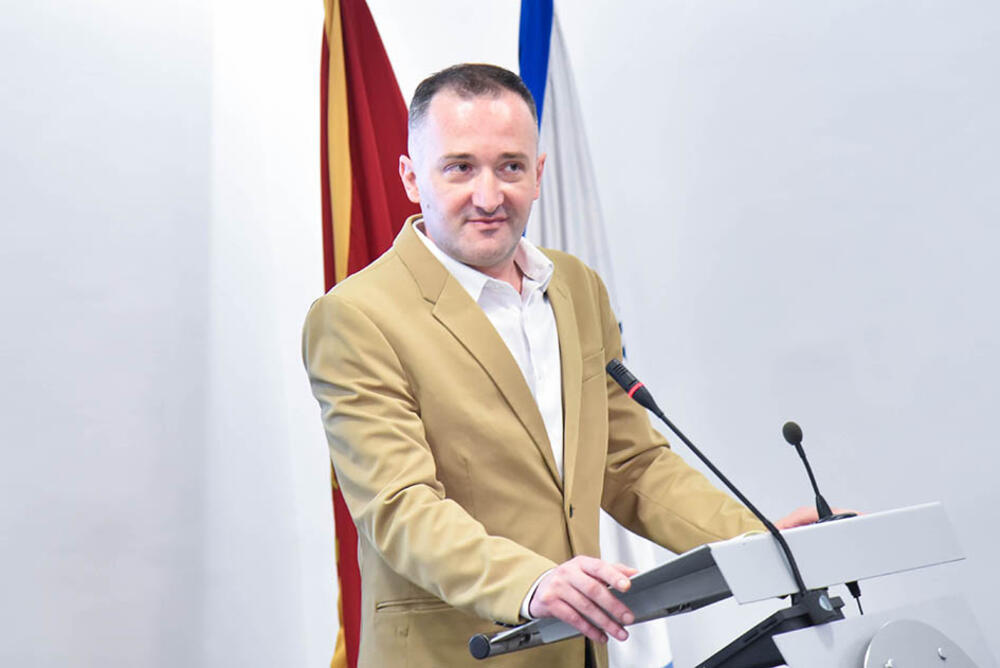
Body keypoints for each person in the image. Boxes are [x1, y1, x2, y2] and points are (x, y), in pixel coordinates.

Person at [302, 63, 816, 668]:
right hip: (456, 655)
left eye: (510, 167)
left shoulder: (575, 286)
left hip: (583, 652)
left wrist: (762, 541)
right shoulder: (356, 317)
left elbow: (631, 464)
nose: (489, 196)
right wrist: (533, 583)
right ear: (412, 178)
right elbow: (400, 507)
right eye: (460, 167)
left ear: (539, 173)